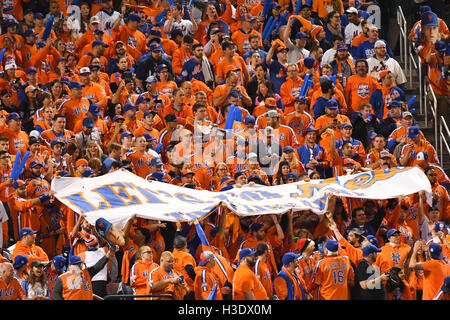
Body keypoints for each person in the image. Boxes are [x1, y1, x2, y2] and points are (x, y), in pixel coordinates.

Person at [52, 245, 118, 300]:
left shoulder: (86, 273)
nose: (78, 266)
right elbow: (55, 292)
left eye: (79, 264)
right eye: (76, 264)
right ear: (70, 266)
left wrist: (108, 254)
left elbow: (99, 265)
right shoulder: (62, 278)